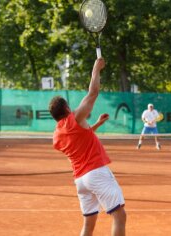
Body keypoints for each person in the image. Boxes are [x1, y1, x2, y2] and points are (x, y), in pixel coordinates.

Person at [49, 58, 126, 236]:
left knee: (89, 225)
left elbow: (81, 136)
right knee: (119, 216)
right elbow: (93, 93)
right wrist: (96, 69)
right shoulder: (74, 118)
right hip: (96, 173)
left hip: (80, 181)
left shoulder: (58, 134)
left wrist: (97, 124)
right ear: (67, 108)